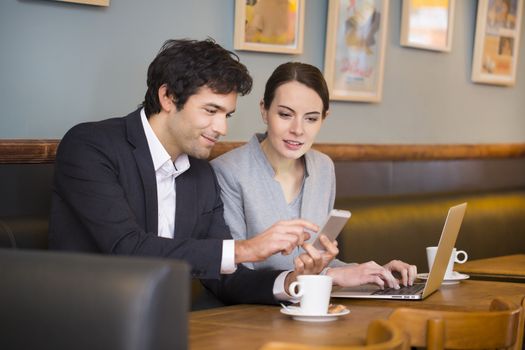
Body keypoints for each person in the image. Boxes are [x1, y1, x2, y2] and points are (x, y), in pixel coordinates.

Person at [49, 39, 338, 306]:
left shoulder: (201, 174)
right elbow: (127, 248)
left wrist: (291, 283)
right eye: (211, 111)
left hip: (170, 326)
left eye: (227, 115)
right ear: (168, 97)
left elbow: (225, 278)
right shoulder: (91, 146)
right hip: (85, 320)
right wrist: (245, 249)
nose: (222, 128)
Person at [211, 62, 417, 289]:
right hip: (248, 314)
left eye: (311, 118)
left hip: (307, 309)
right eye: (285, 114)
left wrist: (372, 274)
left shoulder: (323, 168)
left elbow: (315, 266)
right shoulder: (228, 171)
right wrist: (325, 277)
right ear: (264, 110)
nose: (298, 129)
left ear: (324, 118)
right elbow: (236, 274)